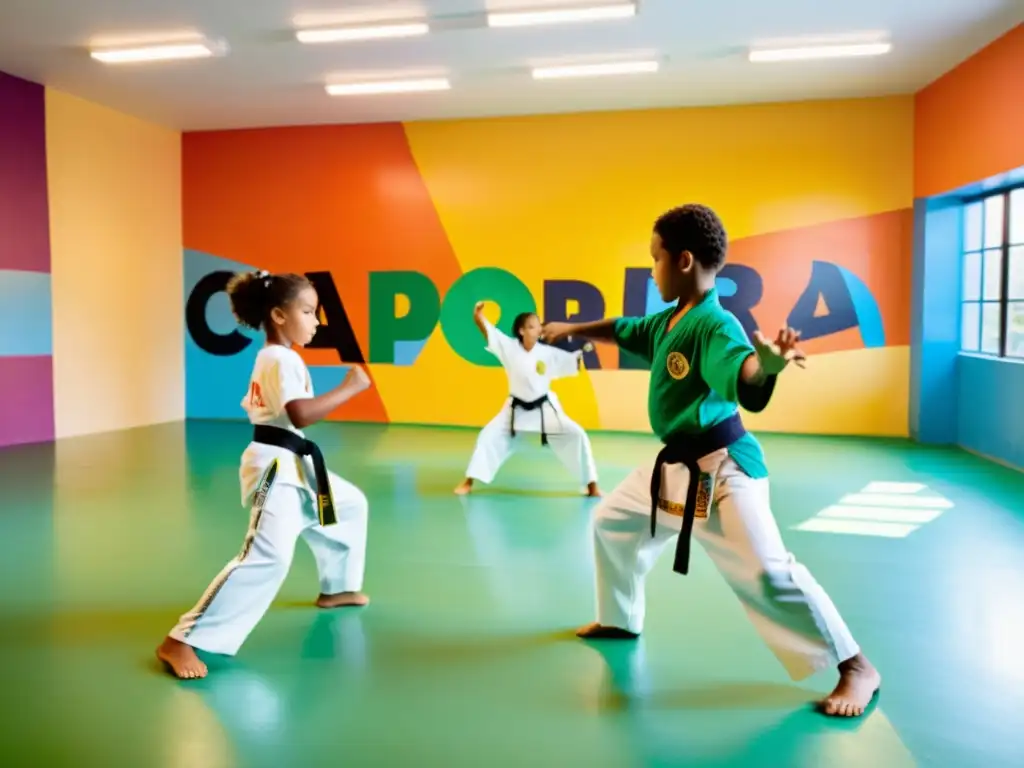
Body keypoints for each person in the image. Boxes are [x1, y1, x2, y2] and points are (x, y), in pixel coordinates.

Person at [541, 204, 881, 718]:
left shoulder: (715, 324)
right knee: (611, 520)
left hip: (724, 470)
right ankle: (620, 617)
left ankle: (856, 666)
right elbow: (625, 329)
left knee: (767, 572)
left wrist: (764, 366)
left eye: (655, 259)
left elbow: (742, 371)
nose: (651, 270)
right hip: (676, 464)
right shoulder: (671, 318)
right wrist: (572, 328)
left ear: (682, 261)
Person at [157, 270, 372, 680]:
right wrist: (351, 387)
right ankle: (181, 640)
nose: (315, 321)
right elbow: (300, 413)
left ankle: (338, 587)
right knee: (267, 556)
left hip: (294, 460)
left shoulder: (278, 358)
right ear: (278, 314)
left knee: (350, 506)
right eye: (308, 311)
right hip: (275, 466)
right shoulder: (280, 358)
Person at [454, 302, 601, 497]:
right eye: (532, 326)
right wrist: (478, 316)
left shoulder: (547, 352)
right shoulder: (508, 347)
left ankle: (592, 487)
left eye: (538, 325)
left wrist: (587, 347)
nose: (537, 329)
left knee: (577, 435)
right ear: (521, 331)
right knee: (488, 437)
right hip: (515, 410)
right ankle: (468, 482)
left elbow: (573, 362)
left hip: (545, 410)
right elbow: (489, 332)